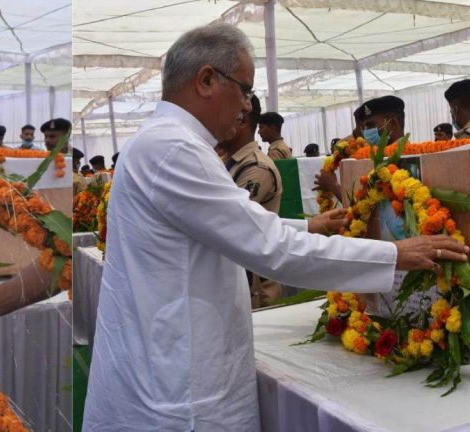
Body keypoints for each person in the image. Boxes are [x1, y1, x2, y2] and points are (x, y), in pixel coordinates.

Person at [81, 23, 468, 432]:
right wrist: (397, 254)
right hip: (177, 393)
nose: (248, 106)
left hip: (167, 366)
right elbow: (269, 247)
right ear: (207, 79)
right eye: (245, 89)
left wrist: (310, 226)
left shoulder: (165, 141)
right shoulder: (175, 148)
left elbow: (227, 224)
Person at [217, 95, 284, 307]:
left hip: (256, 288)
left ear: (242, 120)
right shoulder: (230, 161)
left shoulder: (257, 168)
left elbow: (226, 220)